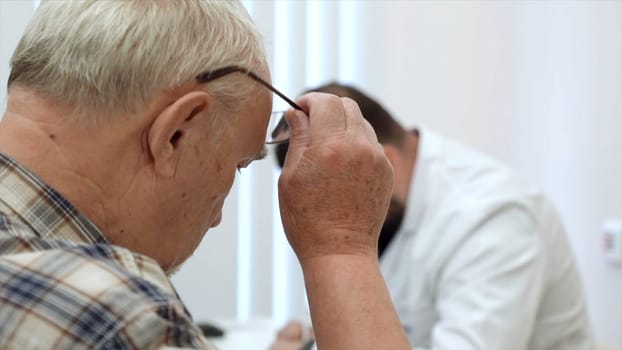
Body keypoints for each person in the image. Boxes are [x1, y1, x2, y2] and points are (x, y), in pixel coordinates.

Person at [0, 2, 411, 349]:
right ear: (176, 132)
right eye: (236, 164)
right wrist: (342, 248)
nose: (216, 218)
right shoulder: (116, 312)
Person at [271, 83, 593, 350]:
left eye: (328, 195)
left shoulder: (493, 218)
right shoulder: (392, 210)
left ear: (383, 163)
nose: (324, 213)